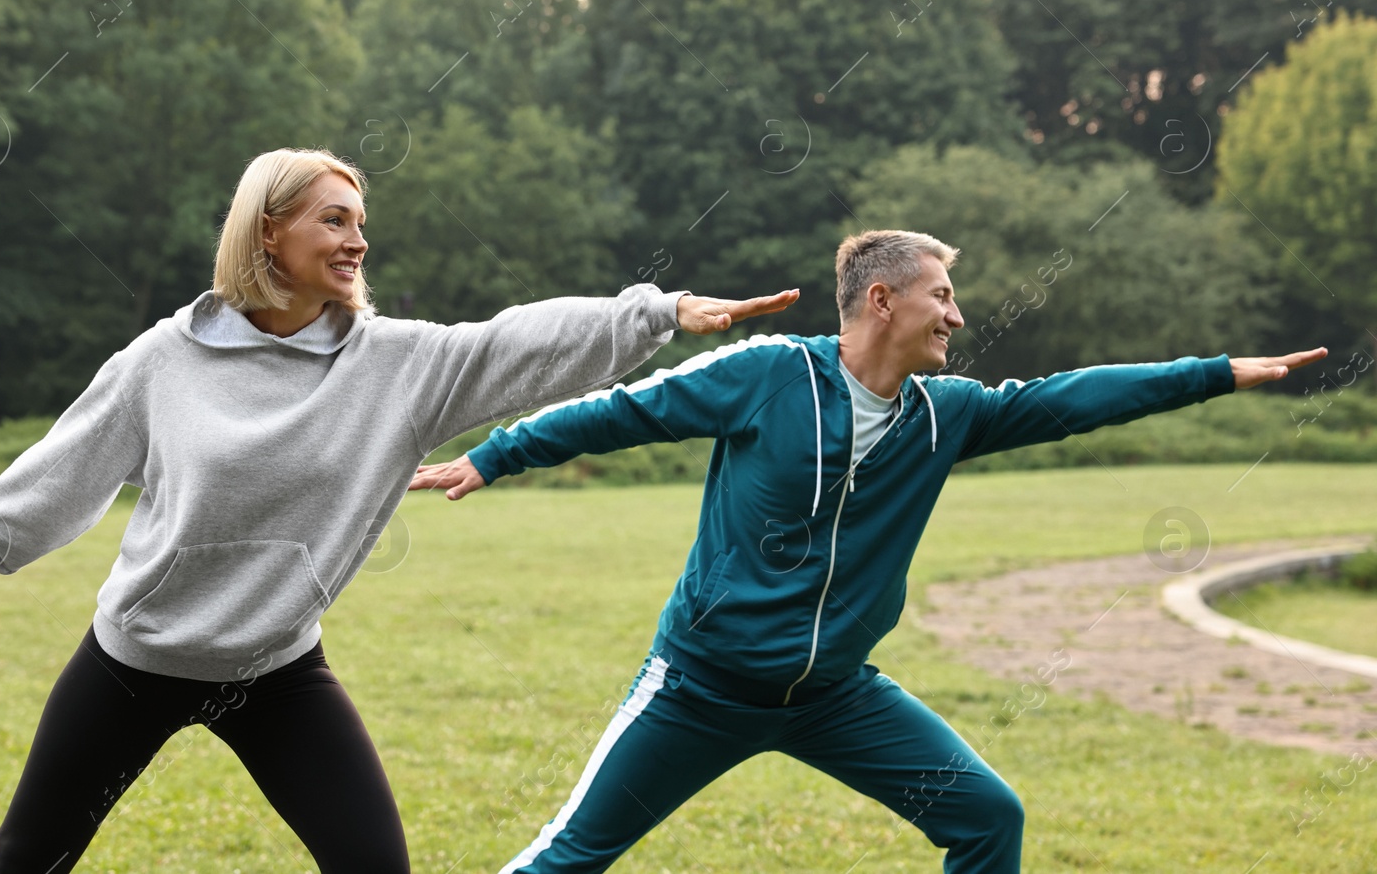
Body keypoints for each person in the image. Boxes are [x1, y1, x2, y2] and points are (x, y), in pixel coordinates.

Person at [0, 147, 799, 874]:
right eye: (334, 219)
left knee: (371, 863)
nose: (357, 239)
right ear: (268, 231)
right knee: (24, 858)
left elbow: (512, 341)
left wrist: (658, 311)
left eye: (362, 222)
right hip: (137, 659)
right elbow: (67, 462)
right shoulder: (167, 359)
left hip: (275, 667)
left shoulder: (394, 365)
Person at [410, 228, 1327, 874]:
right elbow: (623, 411)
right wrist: (495, 455)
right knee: (569, 856)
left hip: (836, 697)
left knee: (986, 816)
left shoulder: (948, 414)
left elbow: (1072, 397)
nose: (956, 318)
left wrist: (1215, 374)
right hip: (700, 689)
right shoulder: (765, 374)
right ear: (882, 300)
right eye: (943, 295)